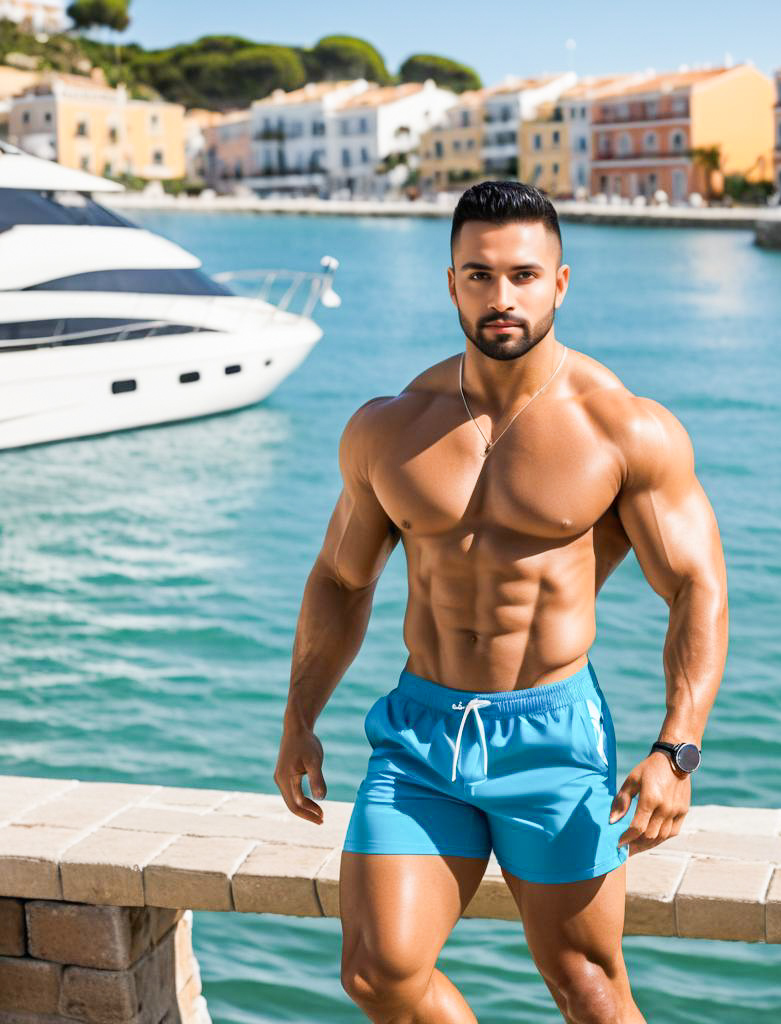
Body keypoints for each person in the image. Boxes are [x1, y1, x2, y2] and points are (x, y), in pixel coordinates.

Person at [274, 180, 728, 1024]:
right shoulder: (390, 425)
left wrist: (678, 748)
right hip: (420, 736)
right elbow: (341, 578)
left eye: (523, 275)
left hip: (553, 738)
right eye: (478, 275)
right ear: (451, 283)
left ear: (560, 282)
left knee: (587, 986)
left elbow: (697, 585)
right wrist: (300, 716)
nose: (501, 297)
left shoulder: (622, 428)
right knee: (378, 973)